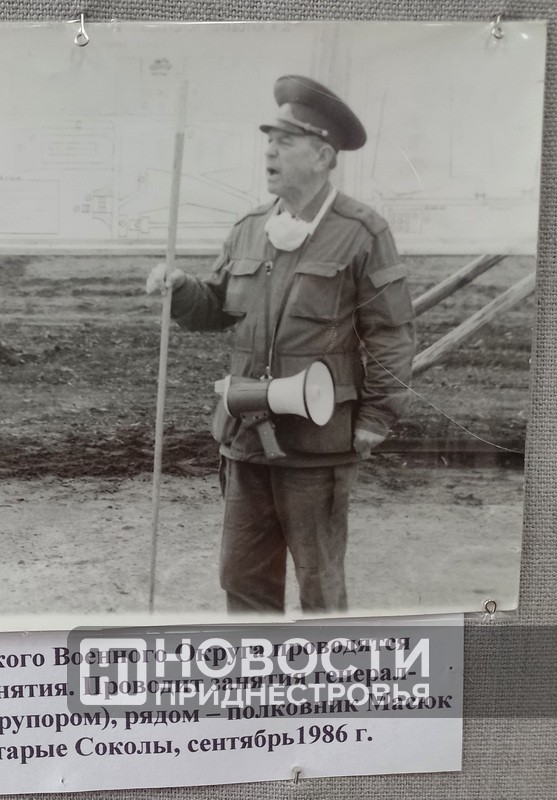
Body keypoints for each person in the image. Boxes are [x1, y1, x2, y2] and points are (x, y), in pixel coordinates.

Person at [146, 75, 416, 614]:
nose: (269, 151)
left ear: (323, 156)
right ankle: (256, 669)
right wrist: (181, 291)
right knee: (242, 578)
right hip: (246, 435)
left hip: (318, 443)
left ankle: (328, 669)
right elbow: (216, 308)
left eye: (285, 141)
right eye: (268, 140)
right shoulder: (249, 227)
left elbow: (391, 331)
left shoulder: (362, 232)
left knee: (319, 585)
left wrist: (376, 416)